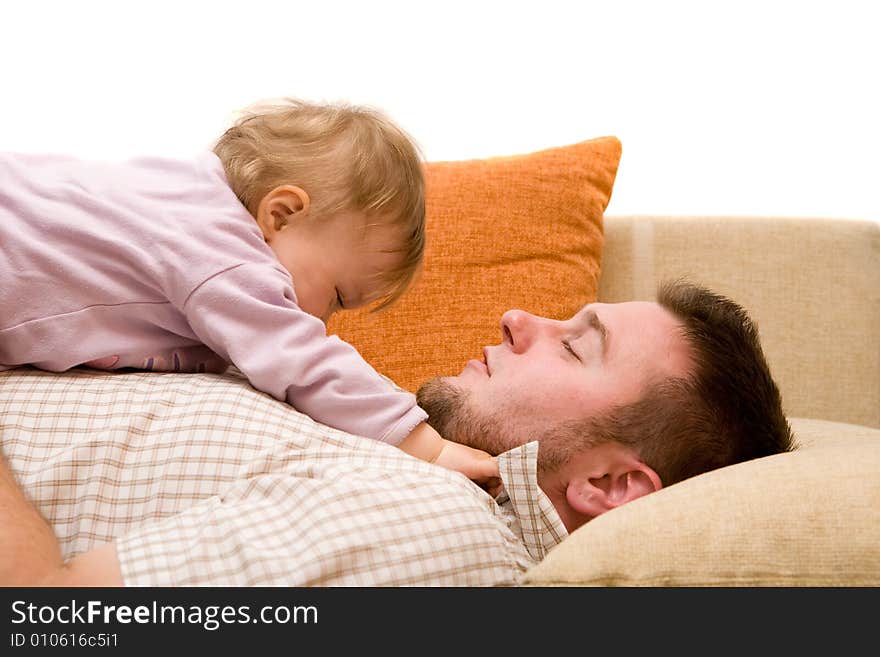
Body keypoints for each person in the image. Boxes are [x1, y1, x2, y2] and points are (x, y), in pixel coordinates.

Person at [0, 280, 795, 586]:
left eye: (577, 343)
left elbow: (47, 615)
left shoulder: (439, 528)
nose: (519, 317)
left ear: (610, 485)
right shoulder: (411, 461)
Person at [0, 98, 494, 482]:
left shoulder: (183, 203)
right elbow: (300, 358)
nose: (321, 323)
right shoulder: (222, 247)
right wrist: (429, 446)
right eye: (338, 295)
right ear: (280, 214)